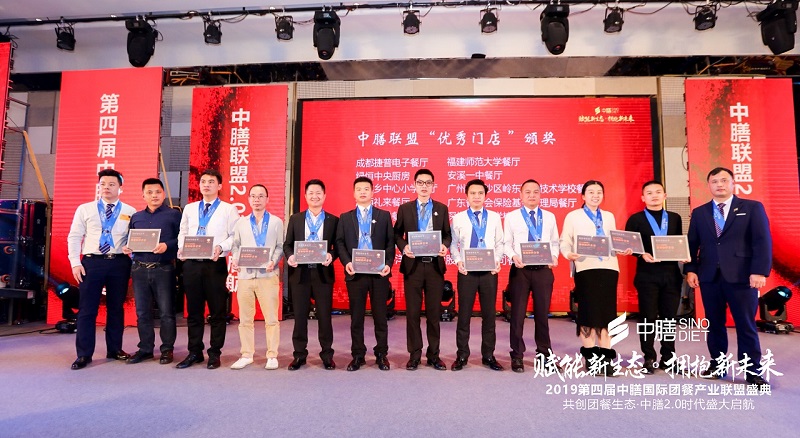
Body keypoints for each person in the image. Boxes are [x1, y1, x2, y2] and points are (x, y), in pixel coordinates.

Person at [685, 167, 772, 386]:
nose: (719, 185)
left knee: (745, 324)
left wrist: (759, 271)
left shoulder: (752, 207)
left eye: (724, 180)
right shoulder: (700, 212)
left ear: (733, 183)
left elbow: (762, 241)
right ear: (709, 185)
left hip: (742, 276)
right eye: (714, 181)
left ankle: (752, 371)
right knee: (714, 324)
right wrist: (691, 270)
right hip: (709, 277)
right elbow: (691, 244)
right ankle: (717, 365)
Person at [560, 180, 631, 376]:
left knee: (607, 314)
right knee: (589, 314)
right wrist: (568, 254)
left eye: (599, 192)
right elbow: (565, 241)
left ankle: (606, 359)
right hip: (585, 268)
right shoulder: (573, 216)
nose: (595, 195)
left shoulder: (608, 216)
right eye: (591, 192)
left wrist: (622, 248)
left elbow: (613, 242)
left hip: (609, 268)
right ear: (583, 196)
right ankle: (591, 358)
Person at [67, 169, 136, 370]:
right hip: (92, 263)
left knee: (116, 308)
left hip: (119, 263)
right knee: (87, 309)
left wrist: (132, 250)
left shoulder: (130, 211)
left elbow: (134, 239)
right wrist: (75, 262)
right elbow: (74, 236)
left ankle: (114, 349)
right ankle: (83, 354)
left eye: (111, 184)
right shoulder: (85, 209)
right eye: (103, 184)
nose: (106, 187)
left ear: (120, 188)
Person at [176, 169, 239, 370]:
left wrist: (221, 247)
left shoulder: (228, 209)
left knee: (217, 312)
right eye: (203, 181)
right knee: (194, 312)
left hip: (214, 264)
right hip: (192, 265)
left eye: (211, 181)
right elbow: (183, 232)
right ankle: (194, 352)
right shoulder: (190, 208)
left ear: (219, 186)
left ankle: (214, 353)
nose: (206, 184)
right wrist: (182, 248)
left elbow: (234, 236)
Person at [624, 180, 685, 374]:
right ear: (643, 198)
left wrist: (683, 254)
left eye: (658, 192)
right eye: (649, 193)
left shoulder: (674, 218)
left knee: (669, 318)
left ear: (665, 196)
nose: (654, 195)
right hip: (647, 275)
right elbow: (628, 244)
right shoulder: (635, 219)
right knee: (647, 317)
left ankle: (668, 358)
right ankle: (648, 357)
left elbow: (679, 242)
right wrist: (640, 254)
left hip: (671, 275)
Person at [394, 169, 452, 371]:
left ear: (433, 186)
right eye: (420, 182)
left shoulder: (442, 209)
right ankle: (415, 355)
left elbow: (447, 235)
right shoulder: (405, 209)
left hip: (435, 266)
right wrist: (404, 247)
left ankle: (434, 355)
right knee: (412, 313)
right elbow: (396, 234)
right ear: (414, 185)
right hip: (414, 266)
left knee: (434, 313)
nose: (424, 186)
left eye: (428, 183)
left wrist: (445, 245)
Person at [335, 177, 395, 371]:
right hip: (356, 273)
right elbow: (340, 242)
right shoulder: (346, 217)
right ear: (354, 193)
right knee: (356, 317)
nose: (363, 192)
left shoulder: (383, 215)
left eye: (366, 189)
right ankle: (358, 355)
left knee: (380, 316)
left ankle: (381, 354)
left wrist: (388, 264)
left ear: (372, 192)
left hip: (379, 274)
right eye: (359, 189)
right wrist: (347, 262)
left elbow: (390, 242)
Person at [503, 179, 560, 373]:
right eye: (527, 192)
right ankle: (517, 355)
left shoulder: (549, 217)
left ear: (540, 194)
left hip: (543, 270)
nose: (532, 195)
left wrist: (554, 256)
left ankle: (545, 355)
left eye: (536, 191)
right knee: (517, 315)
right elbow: (506, 243)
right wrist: (513, 256)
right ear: (520, 195)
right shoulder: (511, 217)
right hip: (521, 270)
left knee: (542, 315)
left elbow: (554, 242)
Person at [123, 178, 182, 365]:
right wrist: (127, 248)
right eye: (149, 192)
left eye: (157, 192)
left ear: (163, 194)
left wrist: (167, 245)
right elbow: (130, 239)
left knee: (166, 312)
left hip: (163, 268)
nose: (154, 196)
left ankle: (167, 349)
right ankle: (145, 349)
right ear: (143, 195)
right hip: (139, 268)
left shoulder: (174, 215)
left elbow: (182, 239)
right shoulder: (136, 217)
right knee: (142, 312)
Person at [449, 179, 505, 371]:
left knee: (489, 315)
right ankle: (462, 355)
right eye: (473, 193)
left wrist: (496, 261)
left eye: (480, 193)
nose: (476, 197)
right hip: (467, 272)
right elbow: (453, 244)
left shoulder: (495, 217)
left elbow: (499, 243)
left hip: (489, 272)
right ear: (466, 196)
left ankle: (488, 355)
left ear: (485, 196)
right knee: (464, 315)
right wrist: (458, 261)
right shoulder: (458, 218)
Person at [284, 179, 339, 371]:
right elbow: (287, 244)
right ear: (305, 196)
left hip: (323, 274)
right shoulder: (296, 219)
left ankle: (327, 355)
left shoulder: (333, 220)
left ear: (324, 196)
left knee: (324, 317)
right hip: (300, 274)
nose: (315, 196)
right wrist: (290, 256)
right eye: (311, 193)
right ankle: (299, 355)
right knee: (300, 317)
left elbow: (338, 246)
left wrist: (331, 255)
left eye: (318, 193)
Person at [229, 184, 284, 370]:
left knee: (271, 318)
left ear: (267, 199)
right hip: (245, 276)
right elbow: (235, 245)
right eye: (253, 196)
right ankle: (247, 354)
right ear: (248, 199)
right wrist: (236, 259)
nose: (257, 199)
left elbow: (280, 246)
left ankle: (272, 355)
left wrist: (273, 261)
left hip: (268, 275)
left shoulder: (276, 222)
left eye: (261, 196)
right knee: (245, 319)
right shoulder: (241, 222)